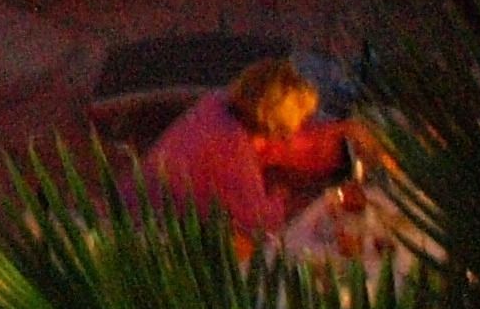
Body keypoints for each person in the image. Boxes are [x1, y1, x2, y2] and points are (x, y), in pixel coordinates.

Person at [141, 58, 356, 248]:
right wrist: (283, 195)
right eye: (299, 119)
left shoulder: (218, 104)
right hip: (152, 233)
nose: (301, 125)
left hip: (144, 197)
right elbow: (261, 225)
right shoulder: (231, 149)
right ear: (274, 120)